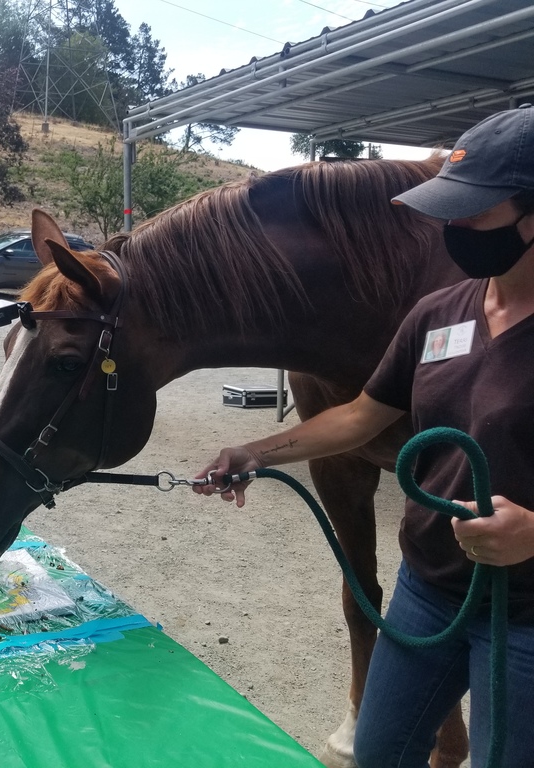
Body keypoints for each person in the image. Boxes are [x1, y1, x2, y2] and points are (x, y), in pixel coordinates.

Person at [195, 104, 534, 768]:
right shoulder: (438, 314)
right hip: (429, 588)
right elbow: (359, 417)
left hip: (525, 615)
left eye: (473, 211)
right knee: (380, 754)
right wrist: (253, 453)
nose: (452, 228)